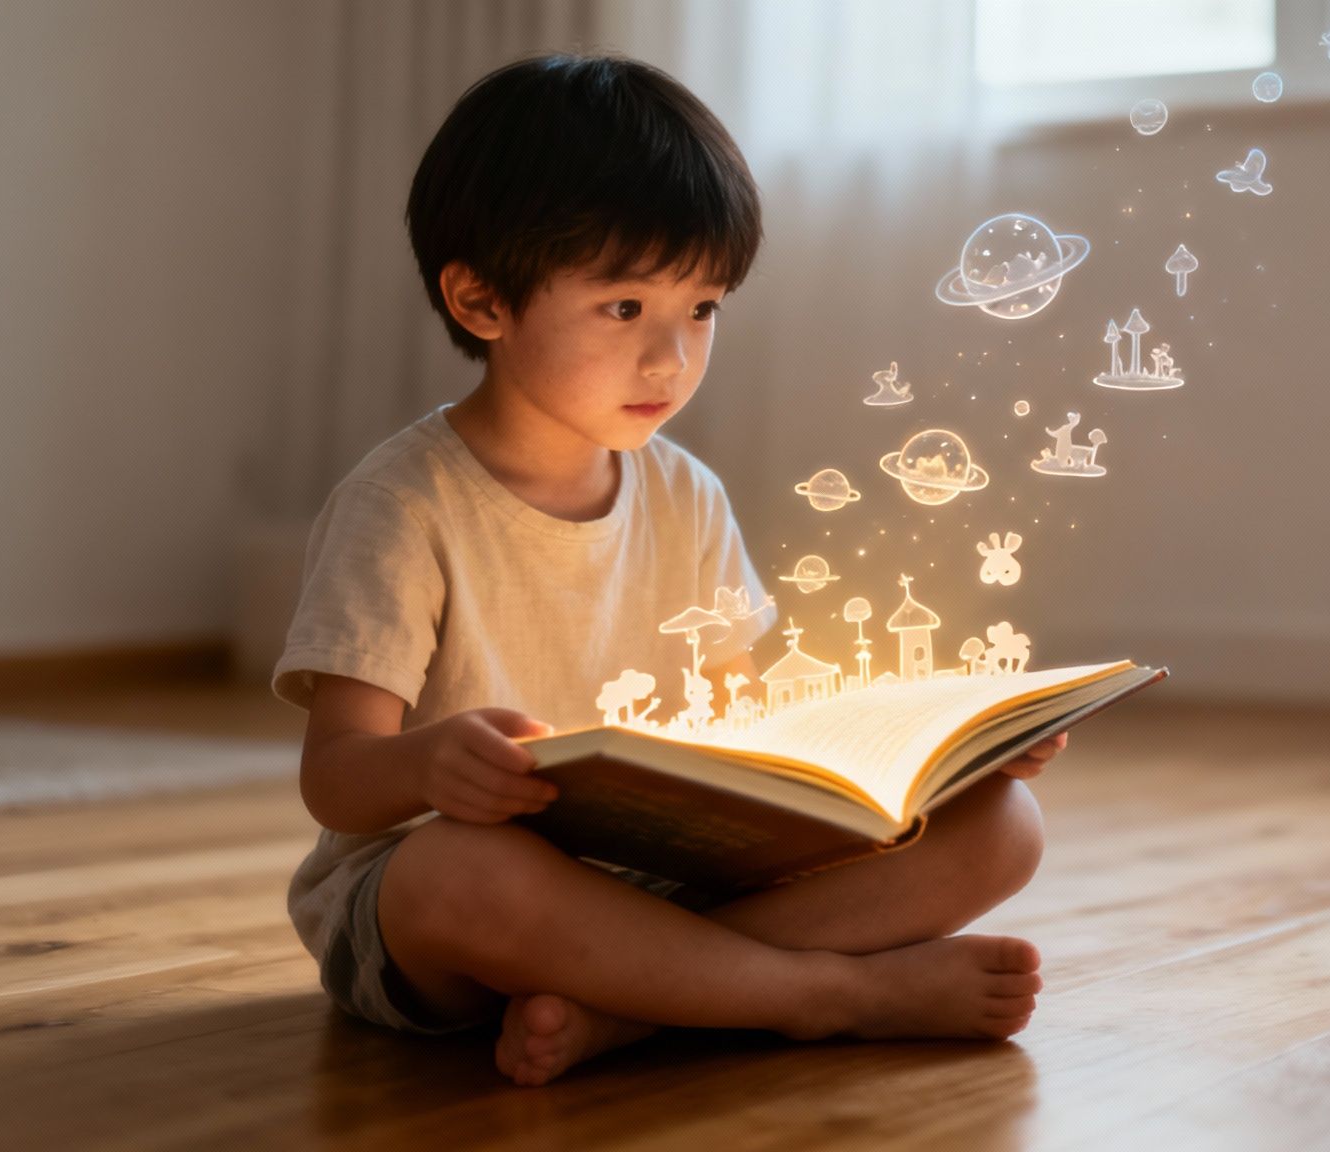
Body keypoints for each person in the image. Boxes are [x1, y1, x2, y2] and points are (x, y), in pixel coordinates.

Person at [272, 52, 1062, 1089]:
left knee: (1003, 827)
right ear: (480, 301)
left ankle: (633, 1009)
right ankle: (827, 997)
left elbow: (743, 737)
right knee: (466, 872)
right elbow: (335, 777)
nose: (670, 359)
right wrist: (429, 767)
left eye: (701, 309)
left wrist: (932, 761)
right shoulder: (402, 504)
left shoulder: (686, 495)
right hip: (438, 905)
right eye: (623, 309)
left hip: (649, 885)